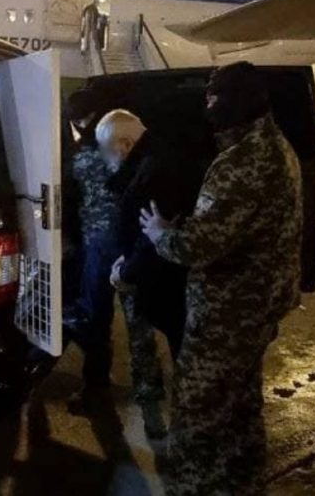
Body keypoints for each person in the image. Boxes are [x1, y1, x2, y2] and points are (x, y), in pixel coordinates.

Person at [139, 62, 304, 496]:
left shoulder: (243, 162)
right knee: (240, 409)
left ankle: (193, 488)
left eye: (214, 97)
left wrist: (161, 234)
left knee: (198, 411)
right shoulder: (277, 147)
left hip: (228, 313)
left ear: (236, 101)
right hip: (258, 307)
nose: (208, 105)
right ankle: (241, 485)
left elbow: (198, 246)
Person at [95, 109, 203, 439]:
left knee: (190, 365)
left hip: (173, 286)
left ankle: (193, 439)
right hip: (167, 282)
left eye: (108, 151)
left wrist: (125, 272)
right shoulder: (155, 159)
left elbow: (151, 238)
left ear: (126, 144)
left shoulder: (157, 170)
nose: (106, 160)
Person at [63, 88, 121, 411]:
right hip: (120, 241)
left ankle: (96, 388)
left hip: (97, 242)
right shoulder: (117, 146)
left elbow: (69, 193)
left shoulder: (84, 154)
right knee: (104, 314)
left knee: (94, 314)